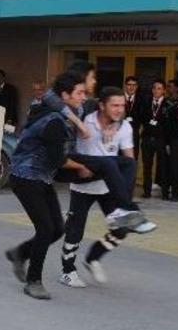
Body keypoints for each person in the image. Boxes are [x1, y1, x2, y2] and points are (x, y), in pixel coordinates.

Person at [58, 86, 155, 289]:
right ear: (102, 105)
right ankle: (67, 271)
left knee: (121, 229)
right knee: (75, 231)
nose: (120, 109)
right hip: (83, 182)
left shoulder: (125, 127)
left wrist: (125, 182)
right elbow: (63, 106)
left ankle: (93, 257)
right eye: (114, 105)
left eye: (122, 105)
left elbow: (129, 158)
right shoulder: (86, 118)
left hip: (107, 185)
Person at [5, 70, 90, 300]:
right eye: (80, 92)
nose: (84, 96)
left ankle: (20, 253)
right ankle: (34, 281)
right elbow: (58, 160)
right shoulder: (53, 121)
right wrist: (82, 168)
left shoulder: (61, 117)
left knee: (57, 229)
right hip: (25, 177)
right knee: (44, 228)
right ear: (65, 95)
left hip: (41, 177)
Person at [140, 79, 173, 199]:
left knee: (163, 166)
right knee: (147, 166)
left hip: (162, 140)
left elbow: (170, 126)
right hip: (148, 138)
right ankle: (147, 192)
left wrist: (168, 142)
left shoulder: (169, 105)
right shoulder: (146, 102)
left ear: (164, 90)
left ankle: (164, 193)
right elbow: (142, 117)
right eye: (154, 88)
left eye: (159, 88)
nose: (156, 91)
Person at [123, 76, 142, 162]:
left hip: (134, 132)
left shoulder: (141, 99)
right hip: (120, 131)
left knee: (133, 158)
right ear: (125, 86)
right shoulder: (120, 97)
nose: (131, 87)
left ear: (137, 86)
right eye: (129, 85)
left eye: (134, 85)